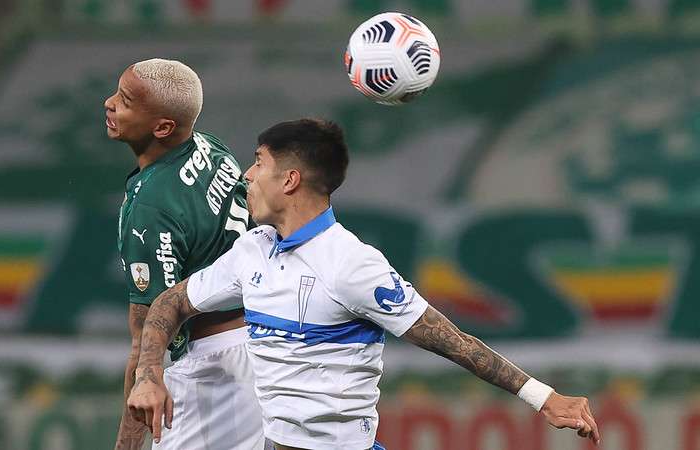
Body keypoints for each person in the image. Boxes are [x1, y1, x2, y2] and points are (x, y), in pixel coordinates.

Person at [127, 118, 601, 450]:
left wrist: (544, 398)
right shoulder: (254, 250)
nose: (246, 176)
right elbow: (170, 303)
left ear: (289, 180)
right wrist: (150, 376)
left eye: (258, 163)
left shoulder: (352, 266)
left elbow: (453, 342)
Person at [106, 58, 266, 450]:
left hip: (212, 367)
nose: (109, 103)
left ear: (162, 127)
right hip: (265, 343)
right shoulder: (212, 147)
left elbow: (146, 341)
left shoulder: (151, 210)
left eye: (125, 101)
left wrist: (126, 446)